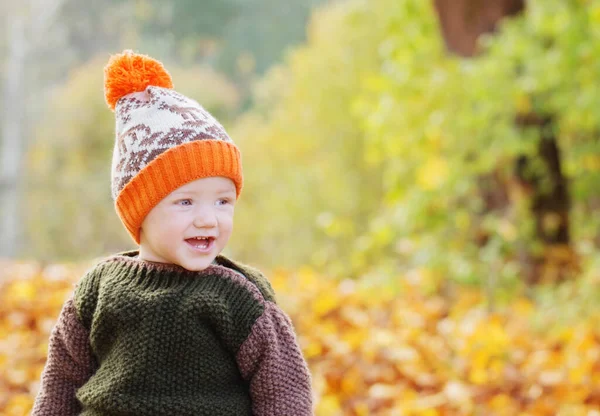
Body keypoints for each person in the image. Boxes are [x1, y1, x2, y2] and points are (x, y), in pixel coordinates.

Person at [31, 50, 314, 416]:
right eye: (186, 203)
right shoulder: (99, 288)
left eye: (223, 202)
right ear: (142, 210)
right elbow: (61, 382)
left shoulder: (239, 296)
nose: (208, 219)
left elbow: (284, 395)